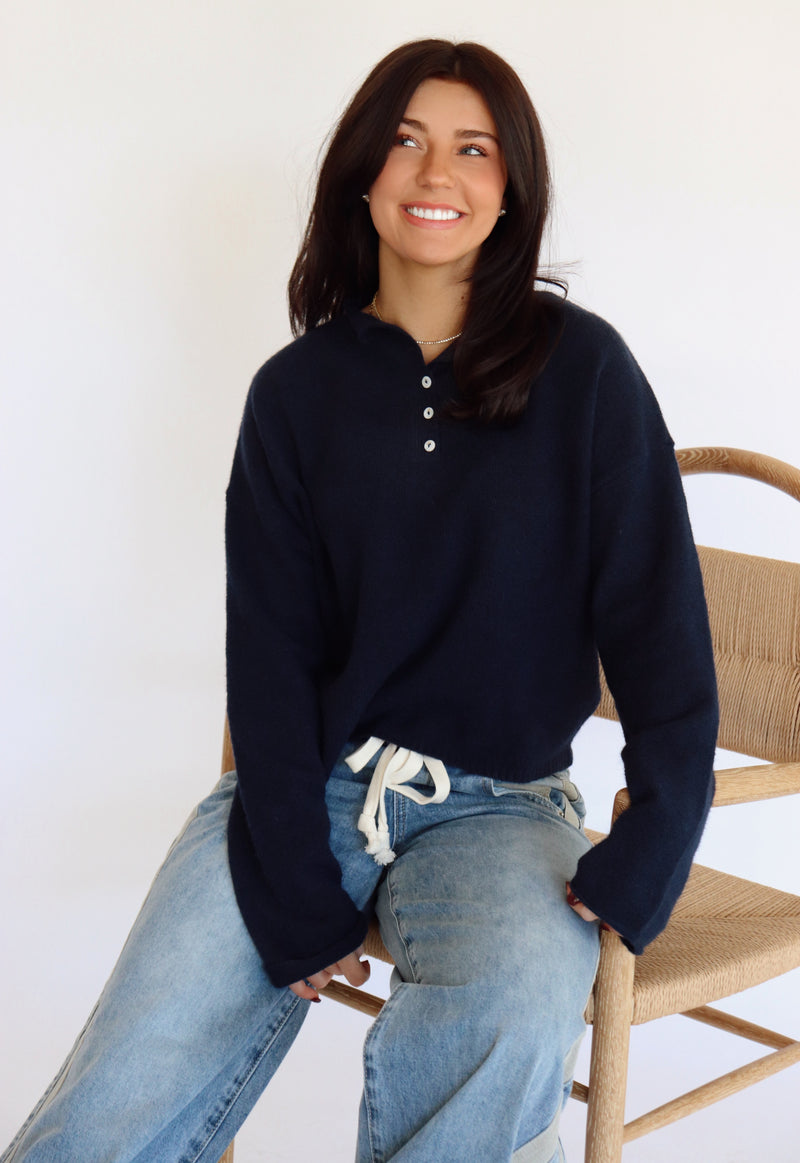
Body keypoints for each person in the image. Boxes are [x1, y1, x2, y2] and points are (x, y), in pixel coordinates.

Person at [2, 38, 718, 1163]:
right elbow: (271, 656)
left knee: (506, 1010)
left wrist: (660, 832)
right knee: (109, 1104)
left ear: (510, 182)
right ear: (362, 175)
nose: (437, 174)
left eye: (471, 148)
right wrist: (287, 872)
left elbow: (660, 623)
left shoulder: (584, 372)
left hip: (505, 809)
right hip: (312, 786)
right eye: (406, 140)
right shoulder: (293, 396)